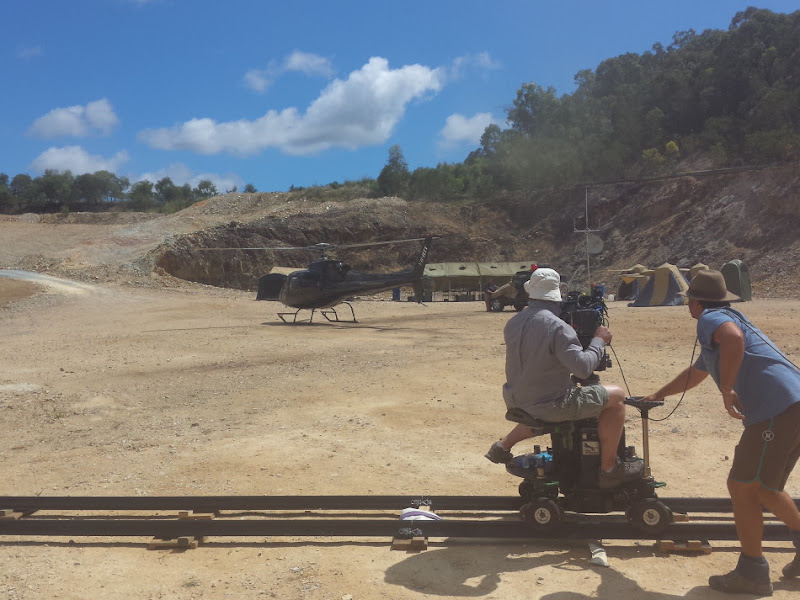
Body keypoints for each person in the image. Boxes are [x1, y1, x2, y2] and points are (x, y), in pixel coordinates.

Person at [643, 269, 800, 595]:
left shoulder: (712, 319)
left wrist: (726, 389)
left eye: (689, 301)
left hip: (777, 410)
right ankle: (754, 567)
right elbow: (697, 373)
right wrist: (658, 394)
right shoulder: (725, 321)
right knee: (763, 489)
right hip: (791, 406)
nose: (688, 306)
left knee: (747, 486)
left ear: (696, 302)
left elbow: (733, 339)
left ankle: (753, 574)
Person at [484, 268, 643, 488]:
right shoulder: (558, 327)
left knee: (540, 402)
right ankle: (609, 469)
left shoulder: (514, 322)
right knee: (617, 397)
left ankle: (503, 446)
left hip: (516, 400)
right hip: (548, 404)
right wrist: (599, 340)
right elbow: (583, 369)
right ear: (557, 295)